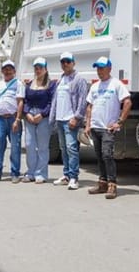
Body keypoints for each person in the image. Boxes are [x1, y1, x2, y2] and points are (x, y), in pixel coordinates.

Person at [84, 56, 132, 199]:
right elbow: (89, 107)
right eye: (98, 68)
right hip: (95, 127)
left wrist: (119, 122)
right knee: (99, 156)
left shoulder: (116, 84)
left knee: (107, 155)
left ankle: (112, 184)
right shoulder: (95, 86)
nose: (99, 71)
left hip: (108, 129)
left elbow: (127, 102)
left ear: (109, 68)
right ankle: (102, 183)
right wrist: (88, 124)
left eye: (102, 68)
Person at [49, 51, 88, 190]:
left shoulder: (79, 80)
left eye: (68, 61)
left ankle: (74, 177)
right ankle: (66, 175)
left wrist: (76, 118)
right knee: (63, 148)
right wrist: (53, 118)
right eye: (63, 62)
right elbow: (55, 100)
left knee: (72, 149)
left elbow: (83, 101)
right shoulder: (61, 79)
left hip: (70, 120)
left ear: (73, 63)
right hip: (60, 120)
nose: (65, 64)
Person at [0, 60, 25, 183]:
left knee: (15, 147)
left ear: (14, 71)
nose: (7, 71)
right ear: (2, 71)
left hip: (13, 119)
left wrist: (18, 120)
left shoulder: (18, 84)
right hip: (0, 119)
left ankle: (15, 173)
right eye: (5, 69)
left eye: (10, 69)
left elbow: (20, 102)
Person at [22, 57, 56, 184]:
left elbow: (51, 102)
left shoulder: (51, 84)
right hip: (30, 116)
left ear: (46, 69)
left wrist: (42, 114)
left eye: (40, 67)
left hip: (43, 117)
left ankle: (41, 173)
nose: (38, 70)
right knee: (29, 145)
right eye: (36, 67)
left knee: (42, 146)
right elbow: (25, 100)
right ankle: (30, 172)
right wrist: (27, 113)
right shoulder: (29, 84)